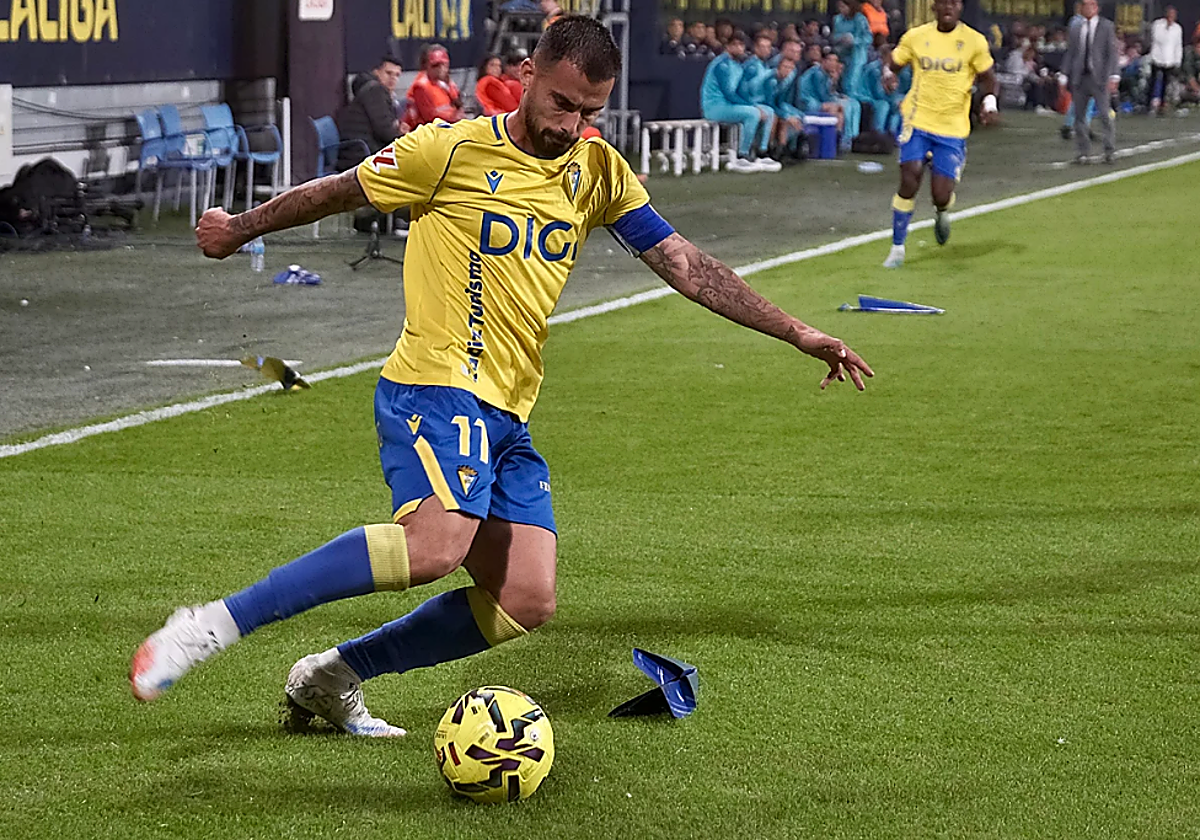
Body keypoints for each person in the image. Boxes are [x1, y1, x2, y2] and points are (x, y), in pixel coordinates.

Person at [132, 16, 873, 734]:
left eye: (590, 112)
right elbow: (338, 189)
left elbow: (684, 263)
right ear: (526, 75)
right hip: (434, 382)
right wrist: (240, 229)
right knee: (433, 547)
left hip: (508, 411)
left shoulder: (597, 171)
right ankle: (210, 625)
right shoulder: (448, 150)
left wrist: (797, 331)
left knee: (525, 598)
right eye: (561, 103)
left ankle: (331, 675)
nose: (572, 125)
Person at [881, 0, 997, 268]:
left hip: (952, 127)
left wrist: (989, 103)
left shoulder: (974, 41)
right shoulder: (916, 36)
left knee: (940, 194)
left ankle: (942, 209)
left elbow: (988, 78)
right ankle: (897, 248)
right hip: (917, 119)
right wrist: (888, 74)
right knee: (910, 176)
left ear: (960, 8)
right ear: (934, 7)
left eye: (953, 3)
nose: (948, 8)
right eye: (943, 3)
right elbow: (894, 62)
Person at [699, 32, 780, 172]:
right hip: (715, 106)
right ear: (727, 46)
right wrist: (752, 107)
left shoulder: (738, 65)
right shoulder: (721, 64)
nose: (739, 48)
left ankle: (761, 153)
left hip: (729, 105)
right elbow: (728, 93)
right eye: (734, 45)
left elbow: (740, 92)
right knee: (753, 114)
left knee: (769, 111)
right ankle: (742, 156)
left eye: (741, 45)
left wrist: (754, 105)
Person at [1059, 0, 1118, 165]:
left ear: (1096, 7)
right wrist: (1064, 74)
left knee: (1105, 115)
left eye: (1091, 4)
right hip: (1080, 77)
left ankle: (1109, 150)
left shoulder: (1106, 26)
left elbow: (1111, 52)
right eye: (1085, 4)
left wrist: (1114, 76)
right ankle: (1083, 152)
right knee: (1079, 116)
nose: (1087, 8)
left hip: (1100, 77)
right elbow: (1071, 53)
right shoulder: (1076, 27)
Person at [334, 57, 402, 171]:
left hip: (360, 150)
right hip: (359, 155)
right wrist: (404, 137)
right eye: (388, 73)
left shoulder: (374, 90)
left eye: (397, 75)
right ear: (377, 72)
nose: (393, 78)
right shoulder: (375, 91)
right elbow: (385, 132)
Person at [799, 52, 861, 150]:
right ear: (823, 61)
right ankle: (838, 141)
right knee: (836, 109)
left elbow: (828, 95)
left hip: (816, 101)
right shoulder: (818, 74)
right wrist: (833, 81)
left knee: (841, 110)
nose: (833, 63)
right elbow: (824, 96)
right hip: (806, 102)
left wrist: (838, 96)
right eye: (830, 60)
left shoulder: (824, 73)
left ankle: (840, 141)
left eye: (835, 61)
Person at [405, 44, 464, 127]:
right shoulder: (421, 86)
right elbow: (429, 118)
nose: (441, 69)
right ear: (426, 66)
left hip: (449, 126)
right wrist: (454, 117)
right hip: (430, 130)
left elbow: (458, 103)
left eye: (444, 64)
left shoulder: (445, 82)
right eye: (435, 65)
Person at [831, 0, 872, 98]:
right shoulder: (837, 19)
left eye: (843, 7)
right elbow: (833, 37)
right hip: (841, 54)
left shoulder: (860, 19)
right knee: (840, 81)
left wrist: (854, 40)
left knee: (851, 82)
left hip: (857, 55)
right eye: (839, 7)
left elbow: (868, 38)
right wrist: (840, 38)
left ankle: (852, 100)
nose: (841, 10)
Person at [1149, 6, 1183, 114]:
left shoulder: (1177, 28)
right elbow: (1157, 37)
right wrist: (1167, 28)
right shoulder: (1158, 24)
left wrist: (1177, 60)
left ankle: (1162, 104)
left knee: (1166, 82)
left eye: (1173, 14)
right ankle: (1149, 102)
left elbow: (1178, 45)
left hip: (1169, 59)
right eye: (1170, 13)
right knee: (1153, 81)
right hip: (1157, 57)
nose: (1171, 16)